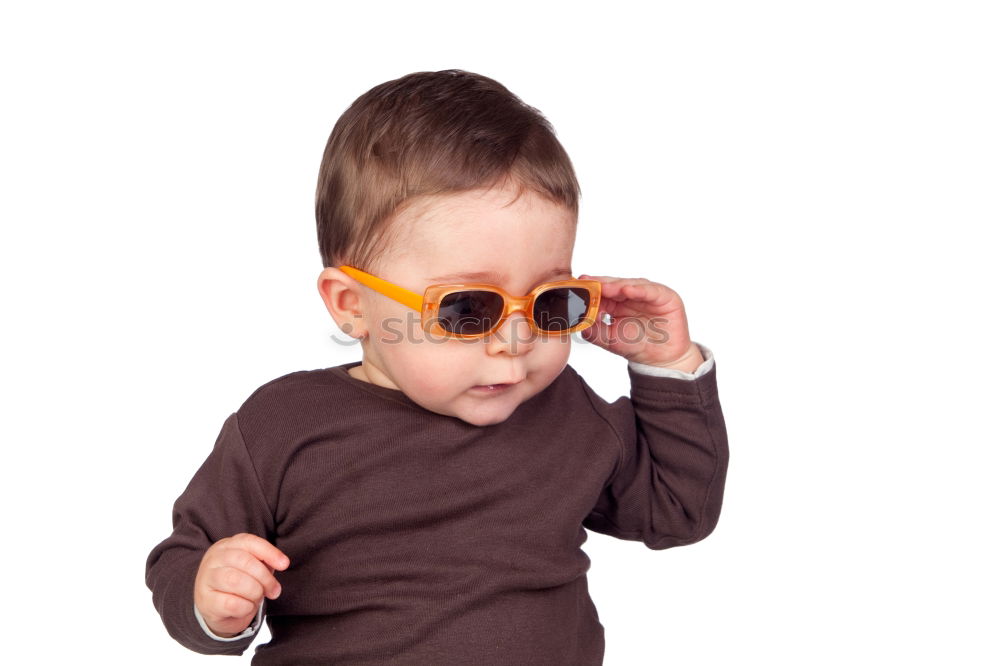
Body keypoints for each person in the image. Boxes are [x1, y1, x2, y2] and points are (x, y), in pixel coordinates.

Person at [145, 68, 729, 665]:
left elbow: (677, 511)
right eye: (470, 309)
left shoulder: (567, 410)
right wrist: (210, 595)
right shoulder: (284, 426)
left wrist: (668, 367)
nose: (517, 340)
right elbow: (187, 555)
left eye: (553, 302)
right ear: (353, 305)